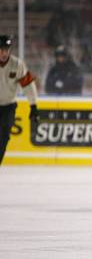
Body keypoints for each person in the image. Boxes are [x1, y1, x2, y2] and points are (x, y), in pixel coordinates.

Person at [0, 35, 40, 165]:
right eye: (0, 49)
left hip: (8, 107)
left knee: (4, 137)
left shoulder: (17, 64)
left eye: (6, 49)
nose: (3, 53)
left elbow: (28, 85)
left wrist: (33, 106)